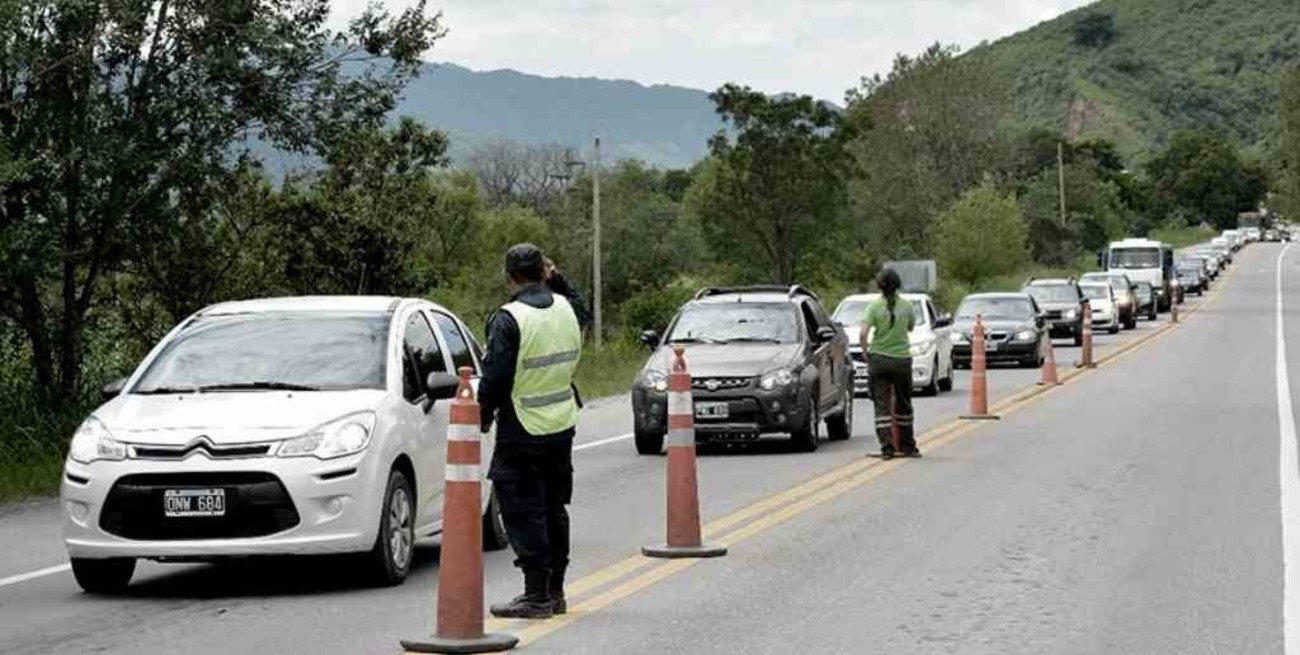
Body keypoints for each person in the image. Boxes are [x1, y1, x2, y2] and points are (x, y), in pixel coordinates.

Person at [480, 243, 590, 620]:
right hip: (561, 424)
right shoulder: (567, 309)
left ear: (509, 276)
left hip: (522, 427)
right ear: (544, 271)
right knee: (553, 508)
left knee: (524, 511)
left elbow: (494, 379)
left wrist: (481, 416)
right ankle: (555, 592)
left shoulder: (508, 319)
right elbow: (583, 309)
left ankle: (535, 596)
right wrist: (558, 280)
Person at [859, 268, 920, 460]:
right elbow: (911, 327)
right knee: (904, 403)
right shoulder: (907, 306)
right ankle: (908, 445)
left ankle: (887, 448)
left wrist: (866, 353)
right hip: (901, 360)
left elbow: (862, 333)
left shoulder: (874, 306)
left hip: (879, 360)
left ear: (879, 286)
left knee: (882, 406)